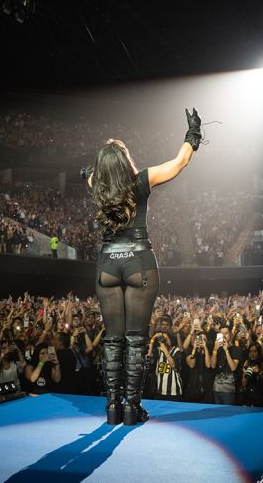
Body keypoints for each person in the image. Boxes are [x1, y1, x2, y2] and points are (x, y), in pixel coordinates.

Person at [84, 108, 202, 425]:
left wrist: (91, 173)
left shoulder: (95, 183)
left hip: (107, 262)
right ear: (125, 161)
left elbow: (92, 175)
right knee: (136, 339)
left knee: (112, 338)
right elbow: (180, 162)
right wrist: (193, 134)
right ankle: (130, 407)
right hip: (138, 261)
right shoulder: (141, 180)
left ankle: (111, 407)